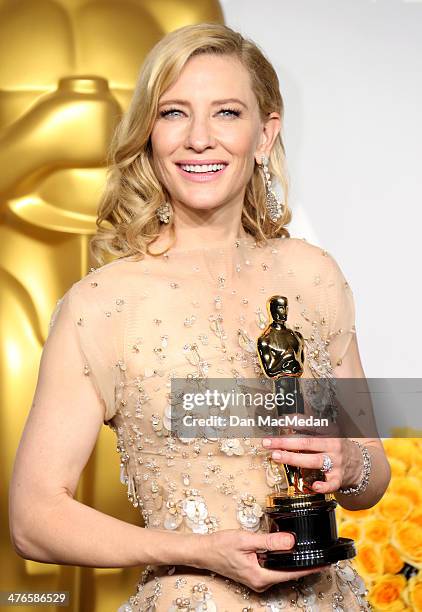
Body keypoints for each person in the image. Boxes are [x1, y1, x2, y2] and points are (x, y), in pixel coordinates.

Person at [9, 23, 390, 612]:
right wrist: (197, 549)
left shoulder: (313, 276)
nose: (200, 139)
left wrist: (349, 461)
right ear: (149, 134)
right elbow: (33, 519)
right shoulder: (100, 305)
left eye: (227, 113)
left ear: (265, 135)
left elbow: (373, 481)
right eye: (174, 113)